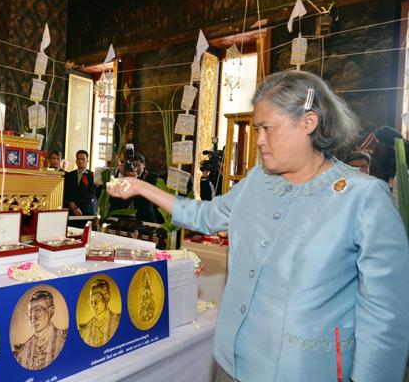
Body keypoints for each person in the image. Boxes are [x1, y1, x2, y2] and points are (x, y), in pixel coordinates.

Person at [108, 70, 409, 382]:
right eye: (257, 129)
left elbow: (386, 319)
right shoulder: (257, 181)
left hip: (304, 370)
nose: (259, 140)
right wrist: (141, 188)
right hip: (231, 362)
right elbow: (205, 217)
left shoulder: (362, 198)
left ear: (308, 123)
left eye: (268, 128)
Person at [13, 290, 68, 370]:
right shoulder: (22, 352)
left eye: (38, 312)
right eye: (30, 314)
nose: (33, 319)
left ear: (51, 310)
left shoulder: (64, 339)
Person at [78, 278, 121, 347]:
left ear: (107, 297)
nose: (94, 304)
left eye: (97, 299)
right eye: (92, 301)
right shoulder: (84, 330)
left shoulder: (118, 321)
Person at [64, 150, 97, 227]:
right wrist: (73, 206)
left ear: (87, 160)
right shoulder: (70, 175)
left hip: (86, 210)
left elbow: (92, 193)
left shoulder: (92, 175)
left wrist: (79, 207)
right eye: (78, 159)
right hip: (71, 209)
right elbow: (66, 192)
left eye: (83, 159)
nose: (80, 161)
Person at [130, 153, 157, 223]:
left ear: (144, 165)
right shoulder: (129, 176)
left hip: (146, 215)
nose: (135, 168)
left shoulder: (152, 176)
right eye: (133, 165)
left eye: (137, 165)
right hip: (131, 215)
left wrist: (136, 179)